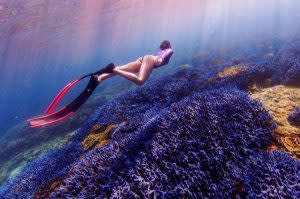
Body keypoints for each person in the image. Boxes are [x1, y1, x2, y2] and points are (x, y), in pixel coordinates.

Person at [97, 40, 174, 85]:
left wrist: (149, 70)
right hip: (150, 60)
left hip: (145, 59)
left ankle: (100, 78)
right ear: (169, 45)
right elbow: (165, 54)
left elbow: (161, 54)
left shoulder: (161, 51)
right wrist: (160, 59)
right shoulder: (169, 50)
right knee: (140, 81)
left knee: (122, 69)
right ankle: (113, 69)